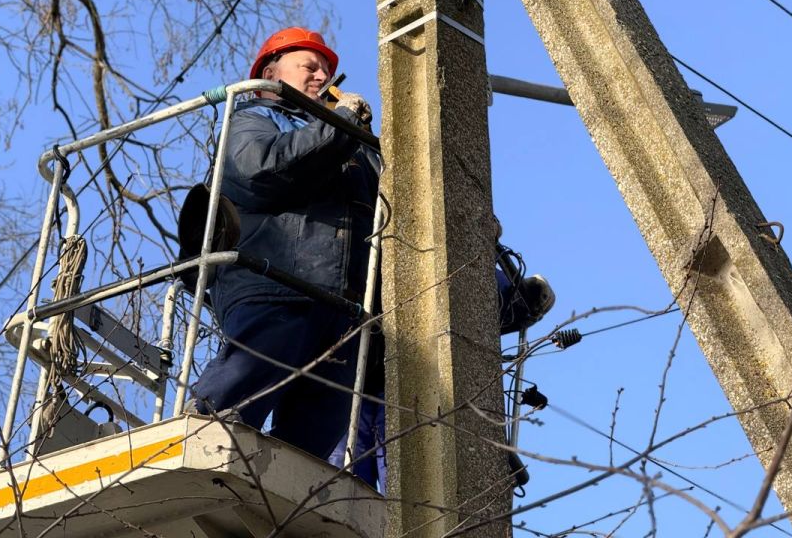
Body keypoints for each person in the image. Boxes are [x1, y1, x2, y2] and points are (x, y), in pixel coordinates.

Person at [191, 27, 379, 460]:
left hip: (343, 309)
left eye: (328, 71)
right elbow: (262, 170)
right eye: (309, 66)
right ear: (271, 72)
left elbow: (400, 227)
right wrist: (342, 125)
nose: (322, 78)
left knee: (310, 448)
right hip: (277, 284)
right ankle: (200, 438)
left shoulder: (356, 150)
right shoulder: (253, 119)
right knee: (240, 388)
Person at [329, 247, 555, 491]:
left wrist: (526, 298)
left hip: (373, 370)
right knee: (375, 471)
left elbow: (516, 300)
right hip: (373, 370)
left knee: (369, 471)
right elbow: (519, 301)